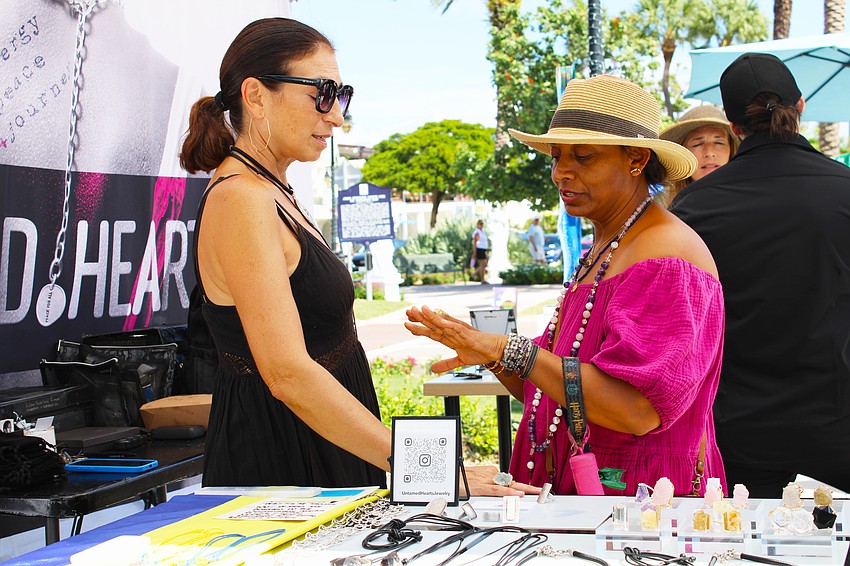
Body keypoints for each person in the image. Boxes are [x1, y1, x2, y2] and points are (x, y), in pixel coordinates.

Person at [179, 18, 536, 495]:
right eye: (322, 93)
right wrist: (433, 470)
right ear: (256, 95)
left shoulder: (270, 190)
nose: (337, 116)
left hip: (323, 442)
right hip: (285, 460)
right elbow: (287, 373)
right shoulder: (242, 198)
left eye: (343, 95)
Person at [406, 75, 726, 496]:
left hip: (640, 509)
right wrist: (493, 355)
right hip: (592, 501)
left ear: (635, 158)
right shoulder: (610, 245)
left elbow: (637, 408)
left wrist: (509, 350)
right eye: (556, 157)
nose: (561, 173)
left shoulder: (665, 254)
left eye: (583, 156)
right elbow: (551, 386)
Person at [671, 53, 850, 498]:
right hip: (837, 427)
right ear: (801, 106)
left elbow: (681, 331)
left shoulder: (695, 208)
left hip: (735, 434)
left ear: (734, 128)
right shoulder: (845, 190)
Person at [657, 105, 738, 208]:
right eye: (697, 144)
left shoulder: (747, 199)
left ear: (731, 149)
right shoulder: (661, 206)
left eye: (719, 143)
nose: (709, 152)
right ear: (683, 153)